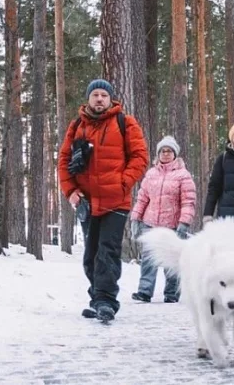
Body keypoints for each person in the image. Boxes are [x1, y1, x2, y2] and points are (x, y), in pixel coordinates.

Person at [58, 79, 148, 322]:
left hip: (115, 202)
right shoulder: (76, 125)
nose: (99, 99)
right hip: (87, 202)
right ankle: (97, 298)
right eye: (95, 95)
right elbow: (64, 161)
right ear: (88, 99)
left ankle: (106, 302)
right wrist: (71, 192)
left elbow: (140, 157)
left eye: (103, 95)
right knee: (91, 255)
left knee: (107, 252)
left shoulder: (125, 122)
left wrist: (123, 183)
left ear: (110, 99)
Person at [130, 135, 196, 303]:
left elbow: (188, 201)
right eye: (163, 151)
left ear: (175, 154)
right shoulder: (151, 174)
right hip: (150, 223)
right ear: (158, 154)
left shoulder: (183, 175)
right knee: (148, 259)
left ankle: (172, 293)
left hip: (172, 225)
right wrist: (136, 219)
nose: (166, 154)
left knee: (171, 260)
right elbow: (142, 198)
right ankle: (144, 291)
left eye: (169, 151)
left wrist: (184, 222)